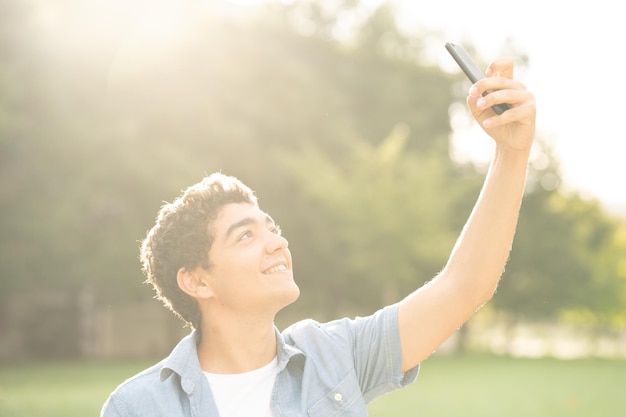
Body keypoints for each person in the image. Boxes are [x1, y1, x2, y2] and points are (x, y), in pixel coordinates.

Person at [101, 57, 536, 417]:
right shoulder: (137, 407)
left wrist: (511, 153)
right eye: (244, 236)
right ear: (197, 280)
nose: (276, 242)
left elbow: (464, 286)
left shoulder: (333, 356)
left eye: (271, 227)